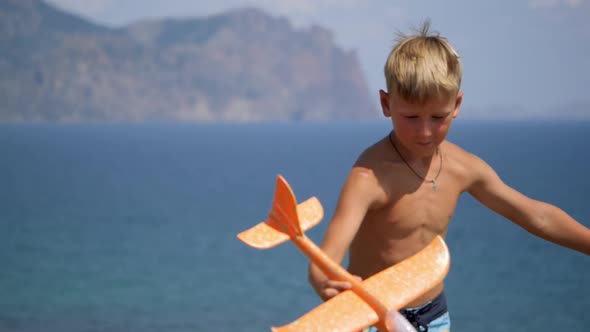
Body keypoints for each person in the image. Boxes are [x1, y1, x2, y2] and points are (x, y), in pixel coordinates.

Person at [307, 20, 590, 332]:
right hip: (372, 319)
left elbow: (536, 216)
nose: (425, 131)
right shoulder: (370, 177)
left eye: (438, 117)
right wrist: (323, 281)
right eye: (411, 117)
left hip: (434, 318)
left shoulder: (463, 168)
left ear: (456, 105)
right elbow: (325, 258)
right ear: (387, 104)